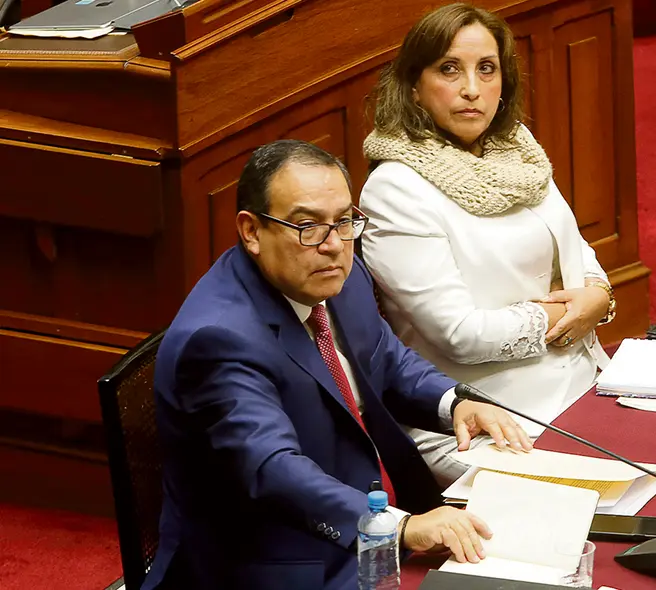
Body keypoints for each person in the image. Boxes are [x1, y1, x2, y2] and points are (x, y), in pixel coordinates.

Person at [141, 139, 532, 590]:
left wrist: (455, 403)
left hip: (377, 521)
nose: (332, 245)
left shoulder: (338, 276)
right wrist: (398, 527)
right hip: (287, 564)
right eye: (307, 226)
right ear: (251, 231)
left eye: (344, 222)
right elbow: (272, 469)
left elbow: (386, 358)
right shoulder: (219, 339)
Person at [359, 3, 616, 486]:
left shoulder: (517, 150)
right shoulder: (395, 188)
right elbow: (461, 334)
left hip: (582, 380)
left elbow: (580, 255)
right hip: (485, 417)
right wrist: (572, 313)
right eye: (449, 70)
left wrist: (599, 295)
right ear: (414, 86)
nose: (472, 89)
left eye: (487, 69)